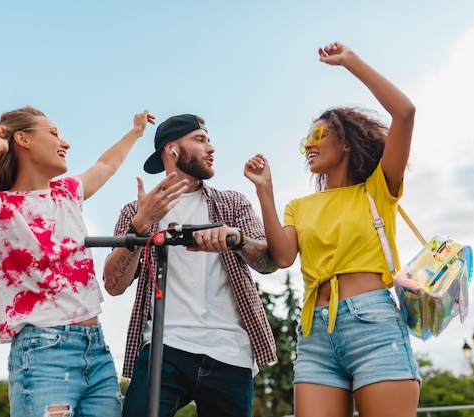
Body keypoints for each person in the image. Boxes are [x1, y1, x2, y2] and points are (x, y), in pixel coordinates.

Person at [0, 106, 155, 417]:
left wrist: (136, 131)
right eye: (54, 133)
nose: (66, 143)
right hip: (45, 352)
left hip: (97, 350)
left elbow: (106, 164)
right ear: (23, 139)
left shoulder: (68, 193)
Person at [244, 42, 421, 417]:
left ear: (345, 142)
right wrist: (265, 191)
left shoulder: (377, 188)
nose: (309, 144)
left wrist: (350, 62)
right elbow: (283, 257)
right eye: (306, 139)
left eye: (319, 135)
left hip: (372, 323)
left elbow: (405, 113)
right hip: (315, 332)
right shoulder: (299, 206)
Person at [103, 114, 279, 417]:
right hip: (163, 347)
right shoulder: (136, 210)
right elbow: (113, 284)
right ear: (171, 149)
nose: (211, 148)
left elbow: (267, 262)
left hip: (230, 351)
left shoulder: (232, 203)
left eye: (209, 139)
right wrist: (141, 225)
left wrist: (236, 239)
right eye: (200, 139)